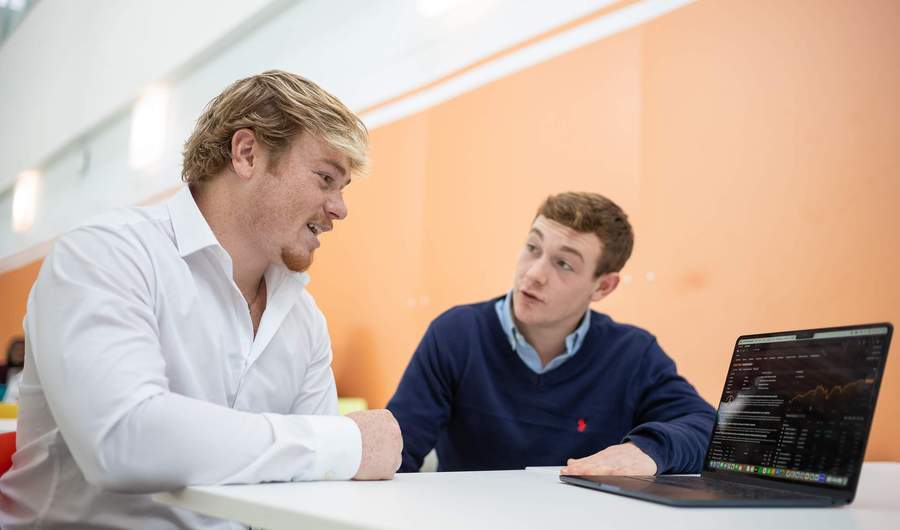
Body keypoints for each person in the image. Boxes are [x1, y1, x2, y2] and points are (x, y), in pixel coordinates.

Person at [0, 71, 402, 529]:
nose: (340, 209)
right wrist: (342, 444)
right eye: (325, 178)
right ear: (247, 154)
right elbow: (122, 440)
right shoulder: (106, 254)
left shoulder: (303, 318)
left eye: (342, 188)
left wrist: (333, 448)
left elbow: (312, 493)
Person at [387, 192, 715, 476]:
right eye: (533, 247)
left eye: (564, 264)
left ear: (603, 286)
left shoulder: (632, 354)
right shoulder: (456, 334)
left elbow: (708, 428)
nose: (534, 273)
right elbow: (396, 450)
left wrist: (648, 450)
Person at [0, 338, 25, 403]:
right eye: (16, 350)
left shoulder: (30, 372)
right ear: (10, 351)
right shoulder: (1, 369)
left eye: (22, 350)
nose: (19, 353)